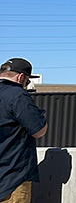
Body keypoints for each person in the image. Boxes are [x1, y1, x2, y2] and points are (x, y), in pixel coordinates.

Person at [0, 58, 47, 203]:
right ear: (21, 77)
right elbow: (38, 131)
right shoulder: (18, 95)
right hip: (12, 180)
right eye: (27, 81)